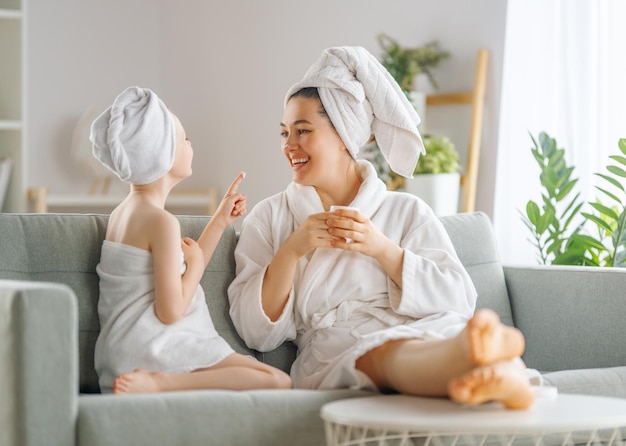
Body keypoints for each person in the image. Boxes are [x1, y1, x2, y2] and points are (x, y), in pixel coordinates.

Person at [227, 47, 537, 409]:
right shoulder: (270, 217)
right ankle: (489, 362)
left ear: (344, 135)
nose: (288, 146)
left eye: (302, 131)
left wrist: (382, 249)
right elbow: (254, 331)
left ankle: (490, 364)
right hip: (338, 351)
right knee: (385, 356)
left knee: (435, 337)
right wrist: (293, 249)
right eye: (284, 133)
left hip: (429, 332)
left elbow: (459, 301)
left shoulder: (406, 211)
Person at [90, 86, 291, 394]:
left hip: (123, 353)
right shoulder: (161, 222)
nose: (190, 144)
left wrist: (221, 219)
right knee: (279, 380)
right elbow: (170, 312)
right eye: (184, 139)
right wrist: (195, 267)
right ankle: (164, 384)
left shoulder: (124, 213)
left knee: (276, 380)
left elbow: (180, 268)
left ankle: (160, 382)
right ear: (163, 155)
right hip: (155, 351)